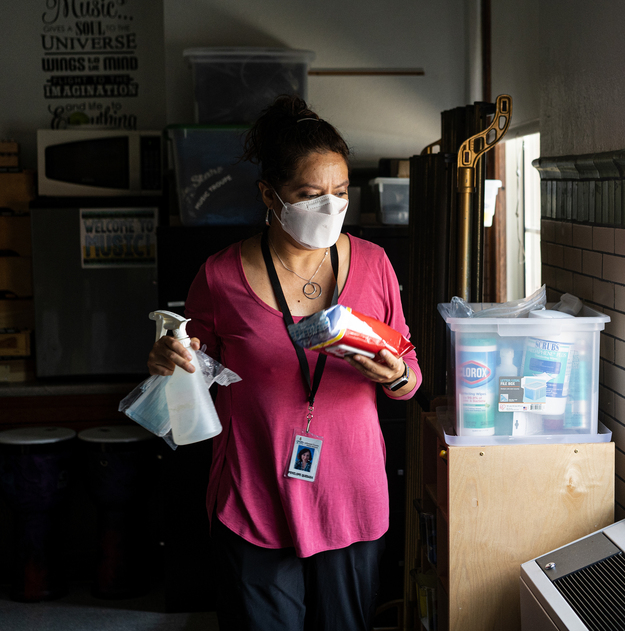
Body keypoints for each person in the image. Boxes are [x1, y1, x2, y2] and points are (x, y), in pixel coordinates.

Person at [146, 95, 421, 631]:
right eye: (310, 194)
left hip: (350, 495)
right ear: (269, 195)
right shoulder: (221, 275)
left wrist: (399, 376)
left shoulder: (374, 264)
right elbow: (194, 373)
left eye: (340, 193)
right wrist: (168, 359)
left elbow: (408, 369)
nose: (330, 207)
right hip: (255, 496)